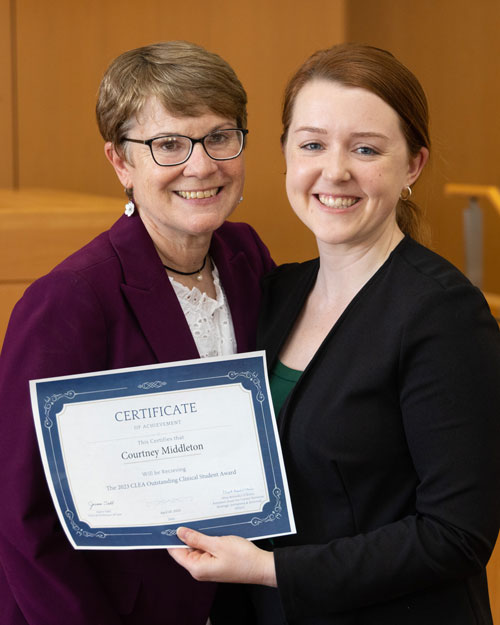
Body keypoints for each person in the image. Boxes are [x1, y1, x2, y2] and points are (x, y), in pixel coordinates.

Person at [168, 43, 500, 625]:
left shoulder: (444, 314)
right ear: (287, 156)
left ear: (413, 166)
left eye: (366, 149)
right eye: (313, 144)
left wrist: (268, 570)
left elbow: (457, 536)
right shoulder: (276, 293)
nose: (335, 171)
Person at [0, 41, 273, 625]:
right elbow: (21, 514)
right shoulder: (67, 301)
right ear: (121, 162)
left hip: (237, 599)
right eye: (168, 144)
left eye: (220, 136)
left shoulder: (248, 257)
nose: (201, 165)